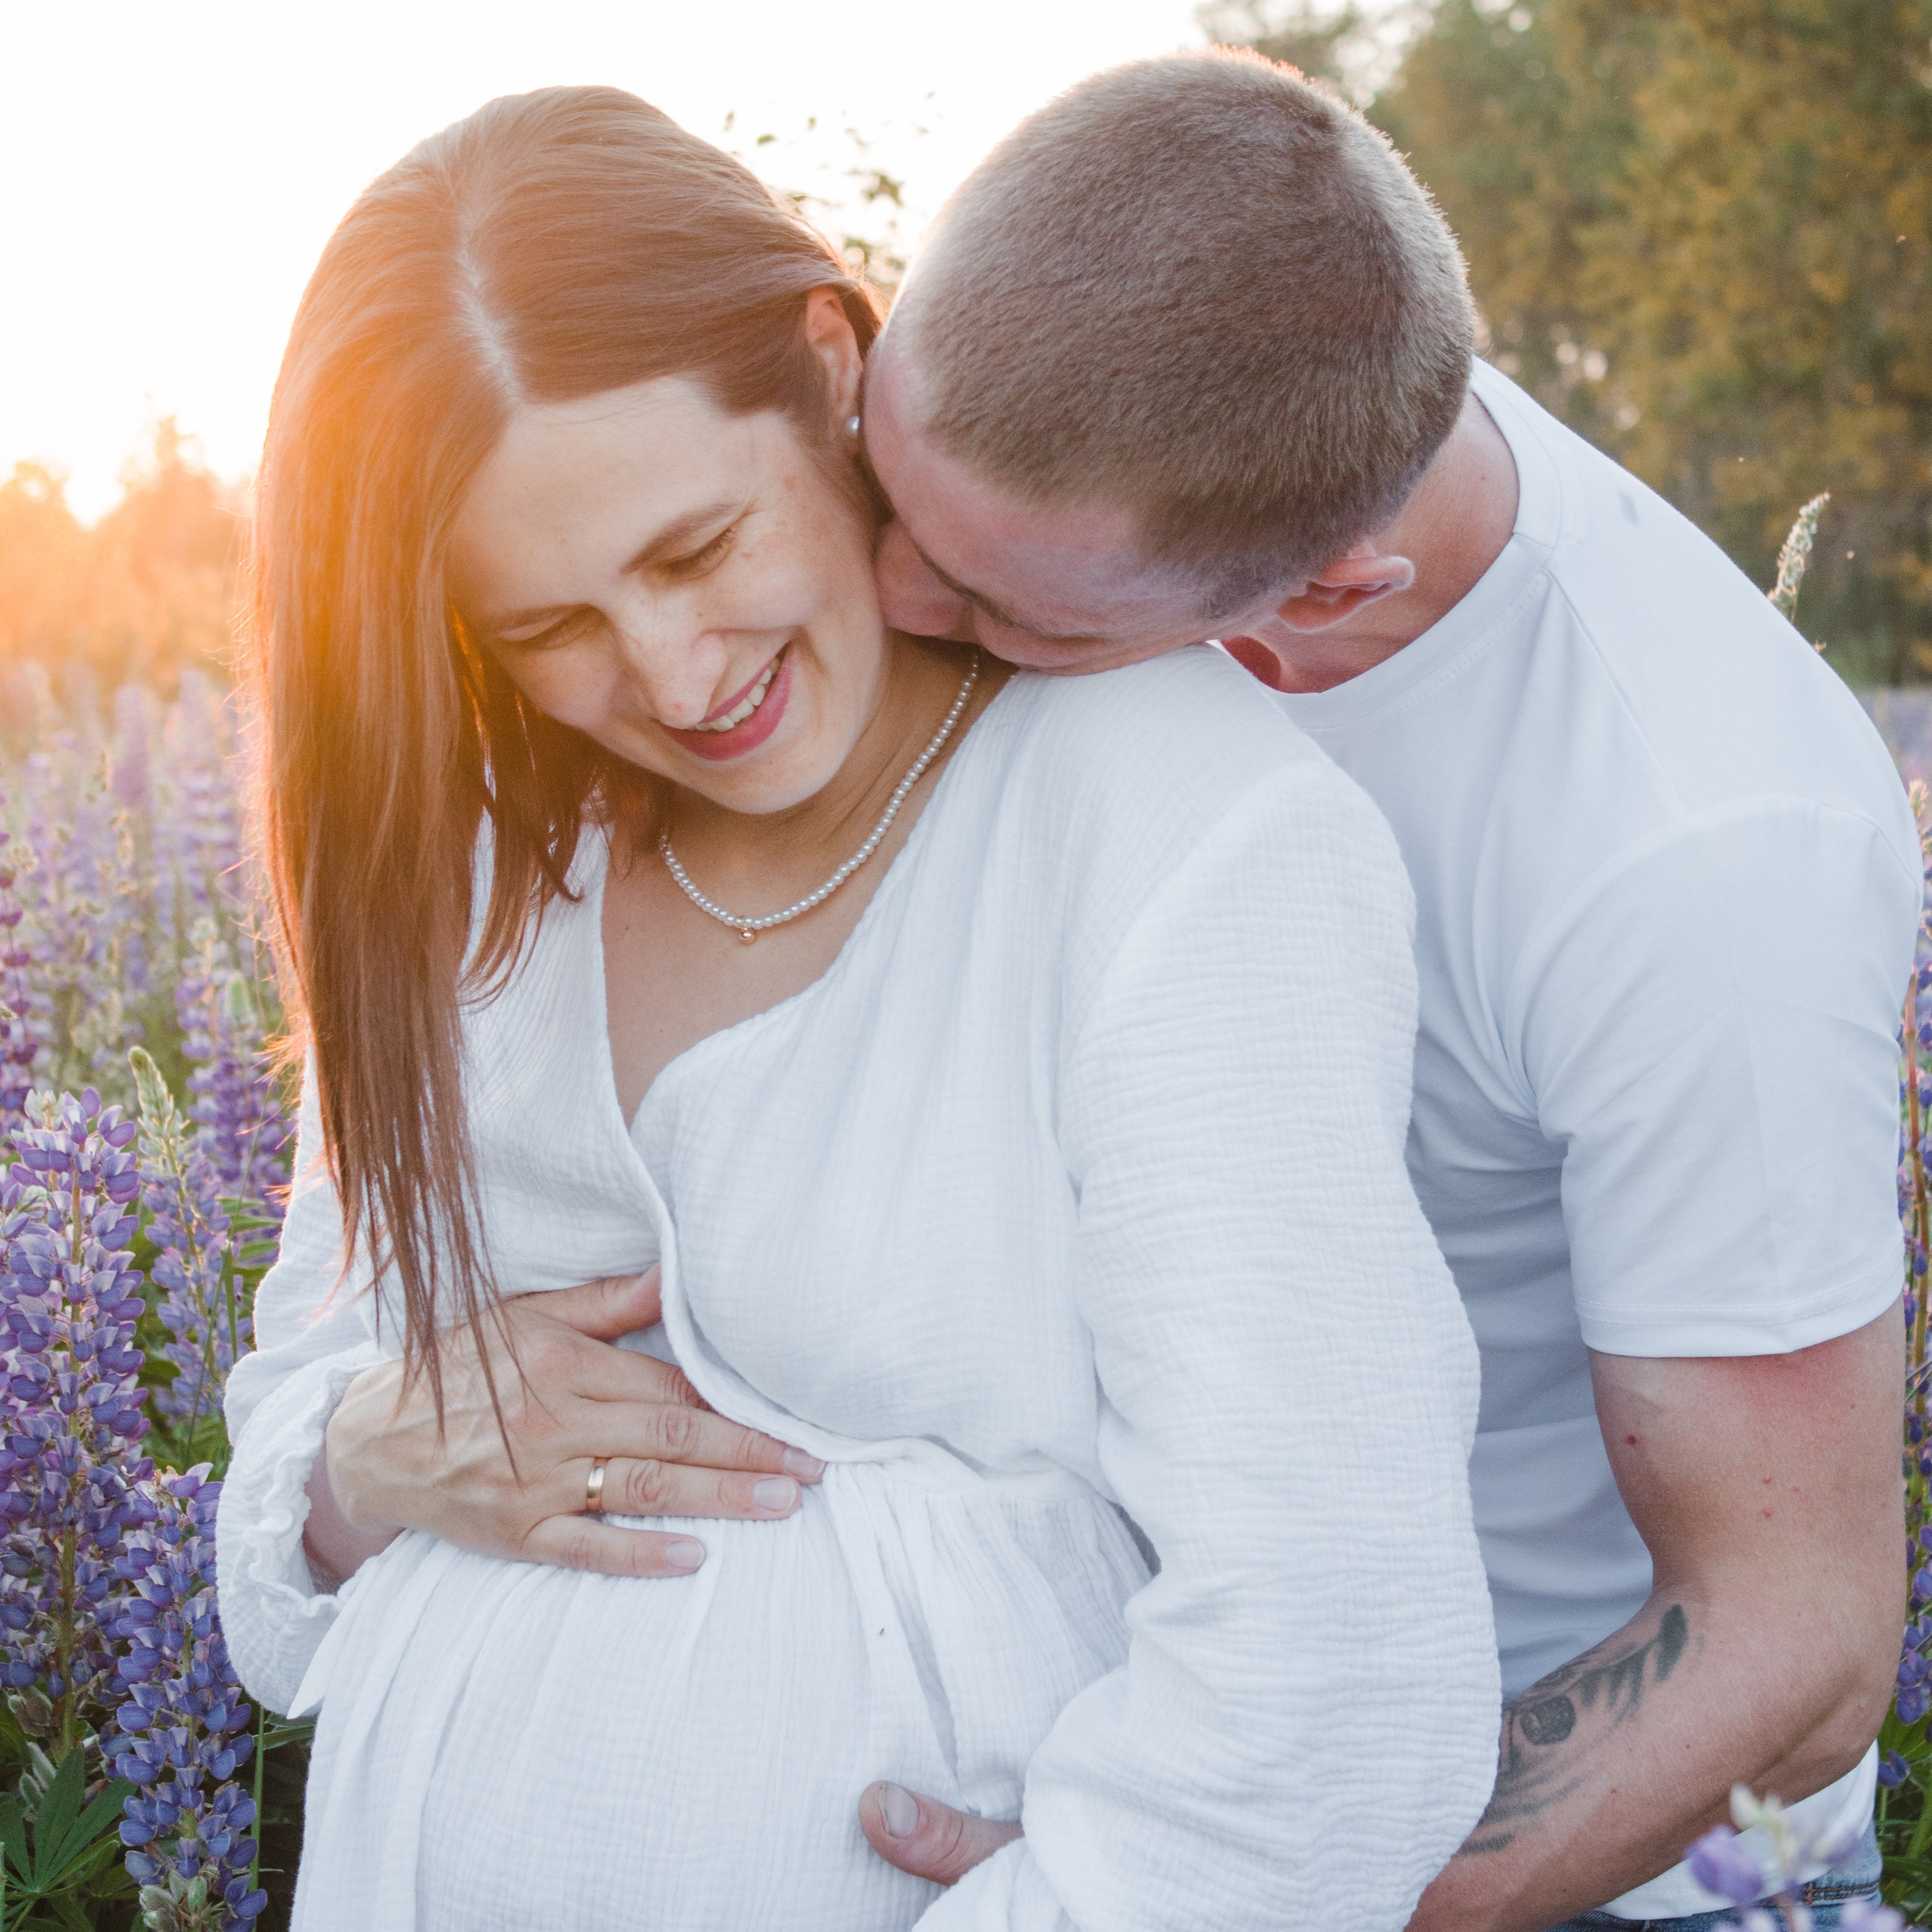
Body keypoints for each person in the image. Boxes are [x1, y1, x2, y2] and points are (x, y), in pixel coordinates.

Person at [316, 51, 1920, 1931]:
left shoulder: (1686, 842)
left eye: (1002, 617)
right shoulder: (1182, 335)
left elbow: (1788, 1640)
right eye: (876, 491)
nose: (898, 603)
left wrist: (1184, 1884)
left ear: (1308, 603)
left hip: (1582, 1864)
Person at [214, 83, 1500, 1930]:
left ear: (828, 365)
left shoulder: (1165, 821)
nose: (665, 673)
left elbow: (1336, 1671)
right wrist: (354, 1469)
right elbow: (296, 1446)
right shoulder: (487, 857)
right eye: (545, 625)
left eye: (690, 550)